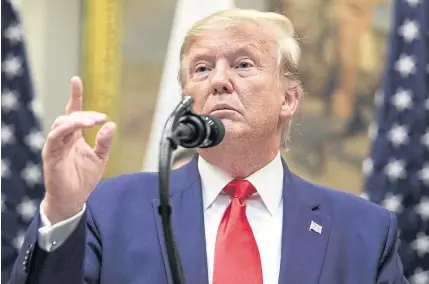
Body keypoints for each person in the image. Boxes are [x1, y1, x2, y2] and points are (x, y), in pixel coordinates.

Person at [9, 8, 408, 284]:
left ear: (289, 99)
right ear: (186, 99)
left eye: (243, 64)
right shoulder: (107, 211)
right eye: (202, 68)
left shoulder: (365, 233)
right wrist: (62, 210)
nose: (219, 80)